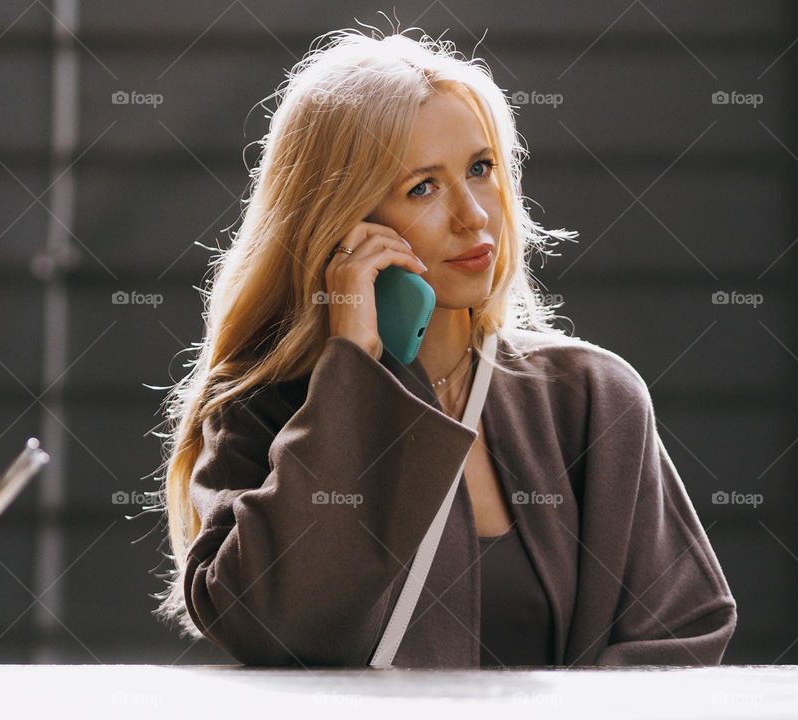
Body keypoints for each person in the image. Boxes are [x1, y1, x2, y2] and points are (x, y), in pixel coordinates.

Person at [148, 27, 737, 668]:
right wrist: (352, 372)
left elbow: (683, 631)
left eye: (480, 170)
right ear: (344, 225)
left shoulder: (591, 396)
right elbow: (276, 626)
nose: (473, 215)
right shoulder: (260, 408)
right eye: (422, 187)